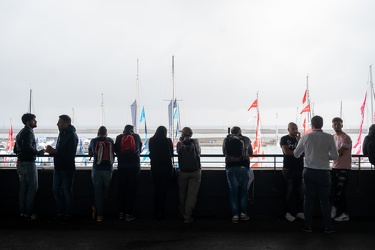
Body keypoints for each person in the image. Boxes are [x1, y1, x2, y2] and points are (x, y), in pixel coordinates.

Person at [294, 115, 339, 233]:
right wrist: (324, 157)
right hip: (324, 172)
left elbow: (296, 154)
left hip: (309, 171)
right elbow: (335, 156)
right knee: (325, 200)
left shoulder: (306, 137)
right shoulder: (329, 137)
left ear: (312, 125)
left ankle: (308, 226)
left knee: (308, 199)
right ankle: (328, 226)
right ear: (322, 124)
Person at [45, 114, 78, 224]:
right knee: (56, 191)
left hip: (67, 168)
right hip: (59, 167)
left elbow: (71, 153)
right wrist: (53, 151)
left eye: (59, 122)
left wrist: (55, 151)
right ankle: (61, 213)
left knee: (67, 192)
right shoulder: (62, 134)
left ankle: (67, 214)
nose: (57, 124)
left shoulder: (72, 135)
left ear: (66, 123)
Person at [13, 113, 45, 220]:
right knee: (32, 188)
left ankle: (22, 212)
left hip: (20, 164)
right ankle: (29, 213)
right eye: (33, 120)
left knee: (23, 189)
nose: (35, 121)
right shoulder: (29, 132)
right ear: (28, 122)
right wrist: (37, 152)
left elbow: (14, 150)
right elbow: (27, 147)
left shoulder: (20, 133)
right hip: (29, 164)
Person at [222, 126, 253, 223]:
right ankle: (243, 214)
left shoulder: (226, 139)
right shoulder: (246, 139)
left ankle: (235, 215)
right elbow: (251, 153)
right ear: (240, 132)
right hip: (243, 167)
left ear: (231, 132)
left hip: (230, 168)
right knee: (244, 190)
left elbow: (224, 153)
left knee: (233, 191)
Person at [114, 124, 142, 221]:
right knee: (131, 191)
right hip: (134, 167)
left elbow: (116, 151)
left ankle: (121, 213)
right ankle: (129, 214)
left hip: (122, 167)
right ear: (132, 130)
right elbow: (139, 149)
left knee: (121, 190)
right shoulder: (136, 136)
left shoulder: (118, 137)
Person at [88, 126, 115, 222]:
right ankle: (96, 206)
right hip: (108, 170)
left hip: (97, 169)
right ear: (106, 133)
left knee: (97, 192)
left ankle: (99, 215)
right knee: (105, 191)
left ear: (98, 133)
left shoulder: (93, 141)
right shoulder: (110, 140)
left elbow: (90, 152)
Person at [280, 122, 304, 222]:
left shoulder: (301, 140)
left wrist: (299, 142)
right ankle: (287, 212)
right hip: (288, 168)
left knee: (300, 191)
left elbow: (305, 153)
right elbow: (287, 152)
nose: (295, 130)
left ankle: (299, 212)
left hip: (300, 168)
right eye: (292, 129)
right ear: (288, 129)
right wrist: (298, 153)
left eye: (296, 128)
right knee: (288, 191)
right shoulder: (284, 139)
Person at [176, 127, 201, 223]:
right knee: (192, 194)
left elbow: (179, 154)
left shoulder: (179, 144)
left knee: (182, 193)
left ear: (183, 134)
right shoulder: (196, 142)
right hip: (195, 171)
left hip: (183, 171)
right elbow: (199, 153)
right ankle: (187, 215)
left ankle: (181, 213)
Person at [148, 126, 174, 220]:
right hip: (166, 168)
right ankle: (162, 212)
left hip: (155, 168)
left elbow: (151, 152)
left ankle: (156, 211)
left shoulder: (151, 140)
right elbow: (171, 152)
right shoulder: (168, 141)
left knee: (156, 189)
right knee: (163, 190)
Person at [330, 117, 352, 222]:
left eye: (338, 124)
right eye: (334, 124)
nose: (336, 126)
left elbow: (340, 152)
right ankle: (341, 212)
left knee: (339, 191)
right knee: (336, 191)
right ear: (332, 126)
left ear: (342, 125)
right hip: (334, 168)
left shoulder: (346, 138)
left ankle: (339, 211)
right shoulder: (332, 137)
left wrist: (324, 156)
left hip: (344, 168)